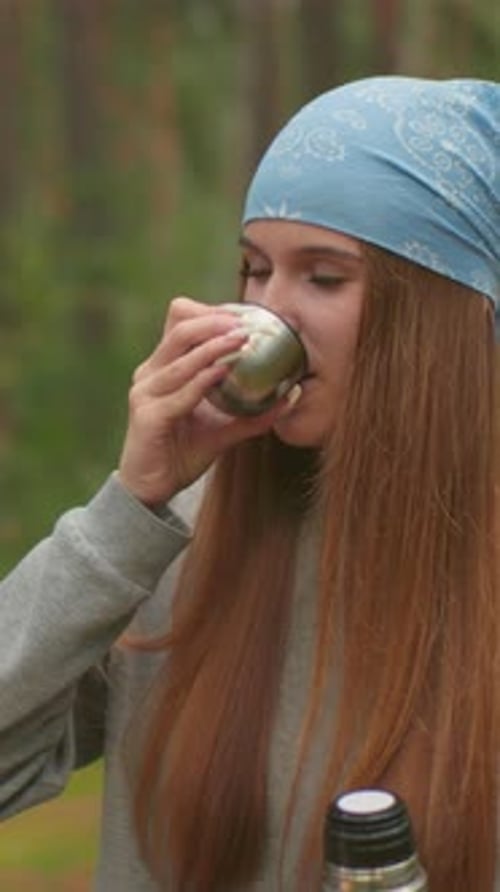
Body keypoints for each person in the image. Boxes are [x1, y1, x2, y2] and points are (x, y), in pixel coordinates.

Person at [0, 75, 498, 892]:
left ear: (442, 315)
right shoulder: (181, 544)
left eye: (324, 277)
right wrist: (127, 512)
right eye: (254, 270)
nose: (264, 316)